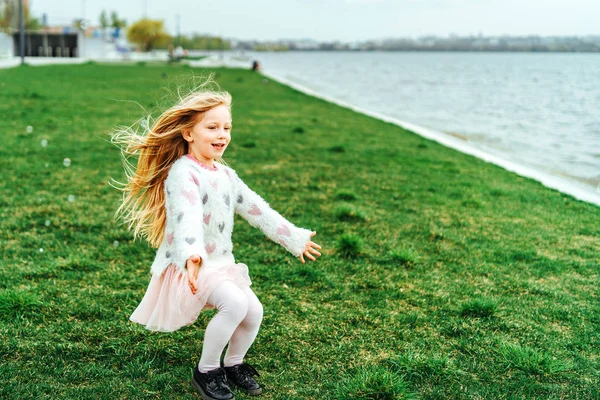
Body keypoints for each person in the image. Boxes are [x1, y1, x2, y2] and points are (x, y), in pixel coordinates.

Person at [113, 82, 321, 400]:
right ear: (188, 134)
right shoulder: (184, 173)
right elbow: (187, 217)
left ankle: (233, 363)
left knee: (253, 313)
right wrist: (193, 255)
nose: (222, 134)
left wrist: (293, 238)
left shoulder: (225, 175)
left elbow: (257, 209)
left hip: (221, 264)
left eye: (227, 127)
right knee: (234, 304)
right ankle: (206, 371)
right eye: (212, 127)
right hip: (191, 262)